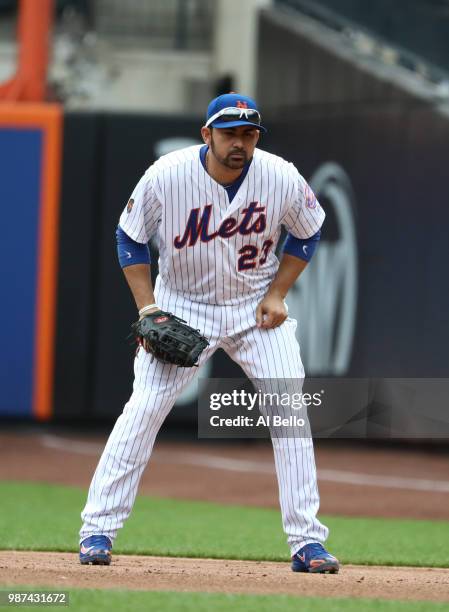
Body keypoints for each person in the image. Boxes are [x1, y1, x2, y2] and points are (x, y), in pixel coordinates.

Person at [79, 93, 339, 574]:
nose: (239, 142)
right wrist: (149, 309)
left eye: (248, 133)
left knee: (289, 410)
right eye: (229, 132)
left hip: (252, 308)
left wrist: (279, 292)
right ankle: (97, 530)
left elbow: (308, 230)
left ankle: (307, 542)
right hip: (182, 307)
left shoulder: (280, 175)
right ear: (207, 134)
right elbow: (130, 237)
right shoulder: (167, 174)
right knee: (145, 409)